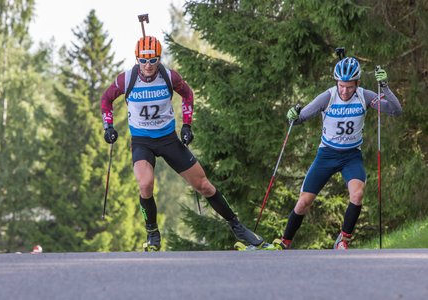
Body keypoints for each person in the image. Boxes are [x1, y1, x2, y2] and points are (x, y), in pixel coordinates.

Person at [100, 35, 268, 251]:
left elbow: (187, 94)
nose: (148, 66)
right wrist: (108, 126)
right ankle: (152, 233)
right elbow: (106, 99)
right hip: (142, 141)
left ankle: (237, 226)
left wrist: (187, 125)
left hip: (168, 139)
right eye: (143, 60)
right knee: (145, 184)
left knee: (204, 186)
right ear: (137, 59)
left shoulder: (169, 76)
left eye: (153, 60)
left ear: (159, 58)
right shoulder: (127, 79)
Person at [273, 57, 402, 250]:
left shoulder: (365, 96)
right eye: (341, 85)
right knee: (303, 203)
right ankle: (285, 242)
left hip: (351, 156)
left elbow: (395, 110)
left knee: (357, 195)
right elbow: (300, 118)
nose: (344, 91)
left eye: (349, 87)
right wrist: (292, 114)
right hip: (327, 155)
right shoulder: (328, 97)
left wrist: (384, 86)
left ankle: (343, 240)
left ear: (357, 83)